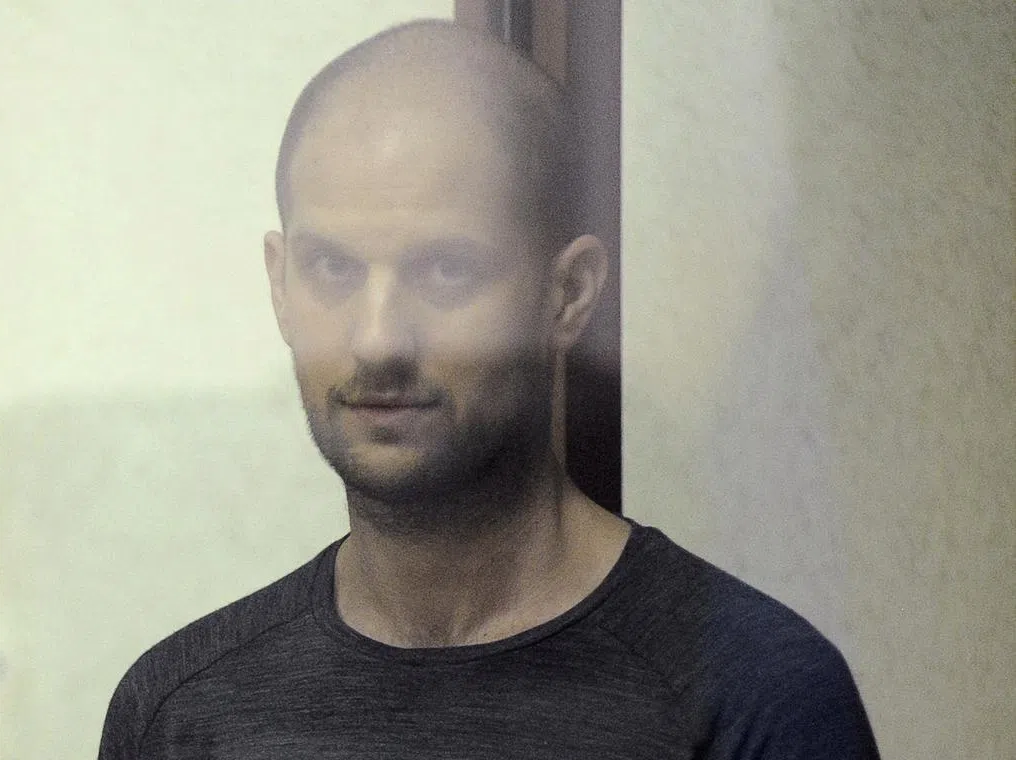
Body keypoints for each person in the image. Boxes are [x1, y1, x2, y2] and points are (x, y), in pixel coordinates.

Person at [98, 20, 879, 759]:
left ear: (568, 294)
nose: (377, 340)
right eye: (332, 269)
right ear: (279, 285)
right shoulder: (183, 713)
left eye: (444, 270)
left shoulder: (751, 694)